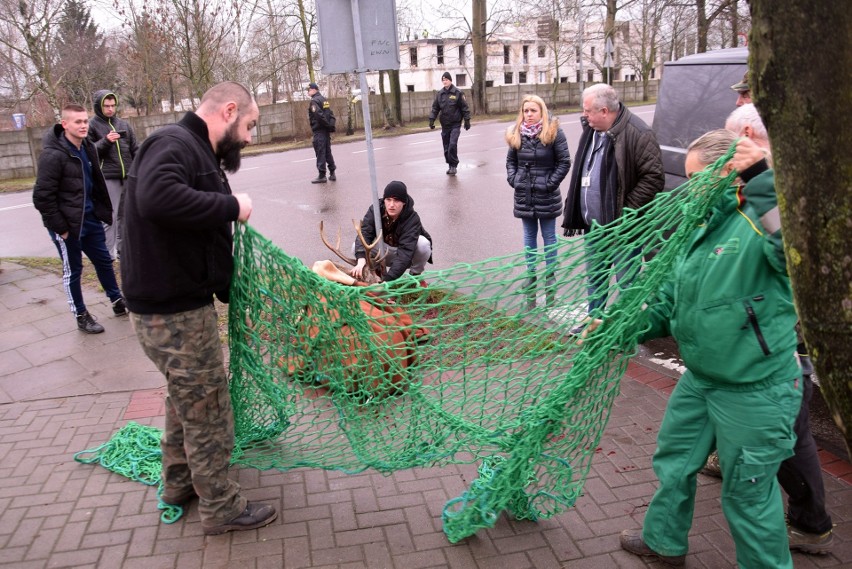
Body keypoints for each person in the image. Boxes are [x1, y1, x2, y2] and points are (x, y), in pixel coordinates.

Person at [618, 130, 803, 568]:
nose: (688, 188)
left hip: (754, 389)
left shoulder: (760, 220)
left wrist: (760, 176)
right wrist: (619, 326)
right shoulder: (698, 226)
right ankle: (663, 541)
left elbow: (794, 248)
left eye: (698, 178)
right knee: (674, 462)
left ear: (728, 173)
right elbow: (667, 301)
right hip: (701, 379)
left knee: (748, 496)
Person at [120, 81, 277, 535]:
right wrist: (232, 205)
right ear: (228, 111)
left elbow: (200, 238)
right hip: (174, 314)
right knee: (207, 406)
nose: (249, 137)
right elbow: (157, 199)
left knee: (185, 399)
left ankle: (178, 484)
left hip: (174, 306)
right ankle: (221, 508)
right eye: (249, 125)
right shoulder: (173, 144)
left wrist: (232, 292)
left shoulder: (196, 153)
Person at [696, 103, 834, 555]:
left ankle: (812, 524)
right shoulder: (760, 186)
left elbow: (786, 250)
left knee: (791, 437)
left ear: (749, 135)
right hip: (756, 344)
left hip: (781, 347)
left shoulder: (776, 188)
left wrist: (756, 179)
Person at [561, 83, 664, 318]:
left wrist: (626, 211)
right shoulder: (591, 131)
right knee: (595, 280)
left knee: (626, 283)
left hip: (623, 229)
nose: (584, 115)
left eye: (587, 111)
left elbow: (654, 178)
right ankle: (594, 324)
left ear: (605, 111)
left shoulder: (638, 133)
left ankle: (624, 331)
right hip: (594, 227)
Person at [32, 103, 128, 335]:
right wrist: (61, 228)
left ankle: (117, 301)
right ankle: (81, 314)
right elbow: (42, 197)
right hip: (67, 226)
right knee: (73, 270)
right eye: (78, 122)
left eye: (85, 121)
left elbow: (94, 183)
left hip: (90, 219)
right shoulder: (53, 155)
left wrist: (99, 212)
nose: (83, 125)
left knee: (104, 261)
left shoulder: (88, 148)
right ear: (64, 124)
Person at [505, 95, 571, 309]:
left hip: (546, 194)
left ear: (541, 111)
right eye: (526, 111)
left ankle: (550, 276)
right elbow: (510, 162)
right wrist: (514, 180)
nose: (529, 115)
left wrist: (549, 184)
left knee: (549, 236)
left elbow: (564, 162)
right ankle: (531, 274)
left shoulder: (553, 132)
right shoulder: (517, 134)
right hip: (524, 194)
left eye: (533, 110)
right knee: (529, 236)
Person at [88, 90, 138, 260]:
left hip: (128, 176)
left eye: (112, 105)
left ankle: (123, 251)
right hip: (108, 177)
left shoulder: (124, 125)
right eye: (106, 106)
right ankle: (107, 254)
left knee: (125, 216)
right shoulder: (92, 126)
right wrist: (106, 141)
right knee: (110, 217)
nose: (110, 109)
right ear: (98, 106)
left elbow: (135, 149)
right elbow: (89, 151)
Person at [349, 181, 432, 283]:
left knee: (423, 244)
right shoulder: (375, 209)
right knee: (356, 248)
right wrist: (361, 260)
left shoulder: (412, 219)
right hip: (382, 250)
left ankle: (415, 276)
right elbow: (365, 233)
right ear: (384, 200)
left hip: (404, 255)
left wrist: (388, 280)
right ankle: (376, 272)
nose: (391, 205)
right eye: (388, 200)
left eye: (396, 201)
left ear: (404, 202)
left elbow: (405, 253)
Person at [428, 72, 471, 176]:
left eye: (446, 79)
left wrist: (467, 120)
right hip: (445, 125)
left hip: (455, 124)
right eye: (443, 80)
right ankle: (450, 165)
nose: (445, 81)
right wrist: (432, 120)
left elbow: (464, 107)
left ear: (450, 80)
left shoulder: (458, 93)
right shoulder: (440, 94)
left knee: (452, 144)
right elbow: (435, 108)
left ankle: (453, 166)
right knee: (446, 147)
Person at [307, 82, 336, 184]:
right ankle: (332, 172)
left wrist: (327, 125)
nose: (308, 92)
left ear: (315, 90)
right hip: (325, 131)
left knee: (320, 152)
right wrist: (331, 126)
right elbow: (331, 114)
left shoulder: (314, 101)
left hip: (319, 131)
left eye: (309, 90)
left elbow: (319, 116)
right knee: (327, 152)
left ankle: (322, 175)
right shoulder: (324, 100)